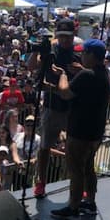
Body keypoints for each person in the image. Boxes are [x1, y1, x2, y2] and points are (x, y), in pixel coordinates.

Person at [49, 39, 110, 219]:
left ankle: (73, 208)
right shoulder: (102, 73)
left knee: (75, 170)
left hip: (80, 132)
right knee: (88, 167)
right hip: (95, 132)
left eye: (83, 53)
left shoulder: (86, 76)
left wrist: (62, 76)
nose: (81, 55)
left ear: (92, 55)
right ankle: (90, 202)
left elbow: (65, 92)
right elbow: (90, 80)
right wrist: (81, 71)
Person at [30, 20, 77, 197]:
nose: (65, 40)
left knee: (75, 147)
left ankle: (77, 181)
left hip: (72, 108)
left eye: (68, 37)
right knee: (44, 147)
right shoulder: (50, 50)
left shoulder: (78, 52)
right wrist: (36, 50)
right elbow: (32, 67)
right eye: (61, 37)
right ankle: (41, 182)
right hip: (52, 106)